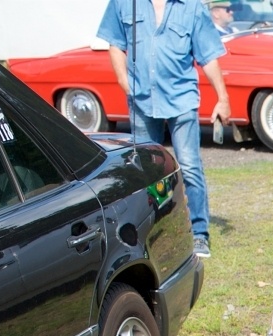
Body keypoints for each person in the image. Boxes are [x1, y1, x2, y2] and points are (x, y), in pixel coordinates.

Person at [98, 0, 229, 259]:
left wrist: (223, 98)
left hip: (182, 100)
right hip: (142, 101)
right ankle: (157, 230)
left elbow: (209, 56)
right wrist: (124, 82)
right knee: (145, 171)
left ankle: (200, 233)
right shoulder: (124, 4)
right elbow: (115, 43)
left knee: (189, 166)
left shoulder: (192, 7)